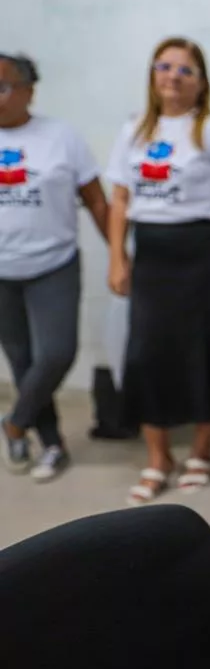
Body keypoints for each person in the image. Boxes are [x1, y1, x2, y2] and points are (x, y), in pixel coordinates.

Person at [106, 37, 210, 505]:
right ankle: (158, 458)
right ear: (153, 75)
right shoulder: (134, 131)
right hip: (152, 257)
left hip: (203, 256)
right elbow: (119, 198)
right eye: (164, 66)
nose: (173, 76)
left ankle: (200, 450)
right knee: (146, 354)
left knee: (204, 350)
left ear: (201, 82)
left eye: (185, 70)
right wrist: (118, 257)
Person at [0, 53, 110, 481]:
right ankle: (52, 445)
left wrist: (121, 253)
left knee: (57, 353)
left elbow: (97, 200)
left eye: (4, 86)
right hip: (2, 272)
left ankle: (13, 422)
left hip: (53, 264)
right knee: (23, 362)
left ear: (29, 90)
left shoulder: (61, 137)